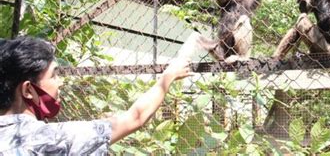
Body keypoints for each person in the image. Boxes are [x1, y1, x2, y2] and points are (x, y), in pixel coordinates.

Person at [0, 36, 193, 155]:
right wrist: (168, 76)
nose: (60, 82)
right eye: (54, 75)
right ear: (27, 90)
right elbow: (135, 117)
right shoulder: (52, 139)